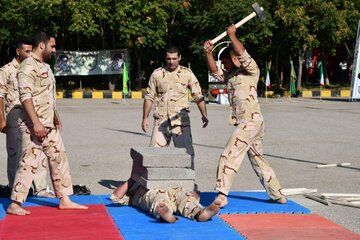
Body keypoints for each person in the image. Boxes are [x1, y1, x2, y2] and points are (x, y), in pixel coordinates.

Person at [203, 25, 287, 207]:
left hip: (250, 122)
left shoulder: (251, 70)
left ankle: (222, 195)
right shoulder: (231, 76)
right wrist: (208, 53)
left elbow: (242, 53)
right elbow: (213, 72)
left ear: (235, 59)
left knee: (229, 154)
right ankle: (277, 194)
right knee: (258, 158)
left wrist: (232, 35)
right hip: (250, 123)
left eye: (226, 62)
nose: (223, 66)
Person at [6, 31, 88, 215]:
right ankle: (15, 204)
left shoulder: (45, 67)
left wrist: (55, 115)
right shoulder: (28, 67)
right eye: (52, 46)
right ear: (41, 45)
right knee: (29, 163)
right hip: (33, 126)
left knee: (59, 158)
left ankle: (64, 198)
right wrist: (36, 123)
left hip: (48, 124)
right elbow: (25, 97)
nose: (54, 50)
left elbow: (47, 95)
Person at [0, 38, 54, 198]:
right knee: (15, 154)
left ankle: (41, 189)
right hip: (14, 116)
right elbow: (0, 96)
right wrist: (1, 119)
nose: (31, 54)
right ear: (18, 52)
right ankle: (15, 189)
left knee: (38, 152)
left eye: (32, 51)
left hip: (34, 115)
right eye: (27, 51)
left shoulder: (36, 67)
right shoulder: (7, 70)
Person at [142, 45, 208, 169]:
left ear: (179, 58)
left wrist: (204, 114)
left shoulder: (187, 74)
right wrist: (145, 118)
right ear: (165, 58)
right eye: (168, 59)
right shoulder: (157, 74)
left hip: (180, 122)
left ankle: (189, 185)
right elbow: (149, 97)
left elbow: (198, 96)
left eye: (174, 58)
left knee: (187, 156)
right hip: (161, 121)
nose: (171, 61)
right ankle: (154, 187)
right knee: (153, 156)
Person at [110, 177, 221, 223]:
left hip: (173, 189)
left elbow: (194, 194)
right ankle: (165, 213)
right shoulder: (133, 187)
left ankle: (201, 212)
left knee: (186, 197)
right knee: (157, 199)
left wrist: (193, 194)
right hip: (149, 192)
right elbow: (115, 196)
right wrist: (134, 177)